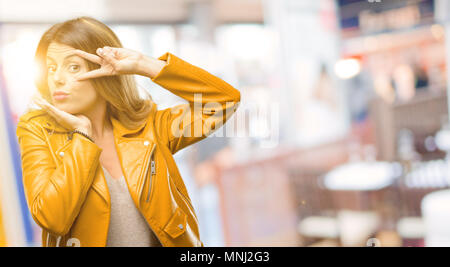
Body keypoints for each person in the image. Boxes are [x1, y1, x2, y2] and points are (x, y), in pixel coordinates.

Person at [15, 16, 240, 247]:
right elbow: (51, 219)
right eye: (51, 68)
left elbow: (223, 101)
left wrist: (143, 64)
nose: (57, 78)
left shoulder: (149, 127)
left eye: (73, 67)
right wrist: (83, 137)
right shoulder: (37, 130)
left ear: (103, 71)